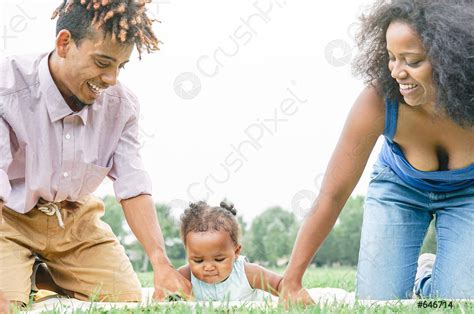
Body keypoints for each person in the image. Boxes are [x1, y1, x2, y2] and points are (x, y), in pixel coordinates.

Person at [0, 0, 191, 311]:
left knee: (125, 301)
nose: (112, 79)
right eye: (103, 63)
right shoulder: (6, 88)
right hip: (8, 219)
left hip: (75, 219)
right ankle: (23, 275)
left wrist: (161, 264)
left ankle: (40, 275)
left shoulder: (122, 105)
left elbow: (132, 184)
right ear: (64, 43)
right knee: (8, 304)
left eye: (121, 66)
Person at [279, 0, 474, 302]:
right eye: (391, 57)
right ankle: (426, 272)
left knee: (457, 301)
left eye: (412, 60)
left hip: (468, 195)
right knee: (378, 302)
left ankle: (429, 277)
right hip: (400, 191)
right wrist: (291, 280)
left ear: (452, 57)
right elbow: (332, 195)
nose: (396, 71)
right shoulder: (377, 102)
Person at [177, 201, 282, 301]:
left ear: (236, 252)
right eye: (198, 260)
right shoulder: (185, 276)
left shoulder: (248, 273)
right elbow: (165, 294)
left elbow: (281, 284)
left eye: (219, 259)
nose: (208, 267)